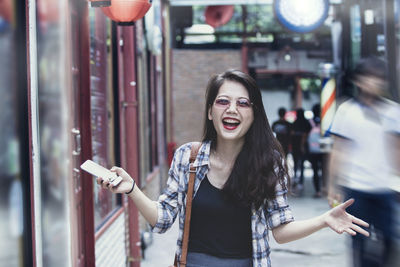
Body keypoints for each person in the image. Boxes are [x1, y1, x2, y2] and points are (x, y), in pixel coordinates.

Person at [98, 70, 369, 267]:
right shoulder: (187, 158)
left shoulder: (268, 162)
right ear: (209, 112)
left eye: (243, 103)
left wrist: (323, 220)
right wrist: (132, 189)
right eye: (222, 101)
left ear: (254, 114)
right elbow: (163, 219)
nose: (232, 110)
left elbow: (281, 230)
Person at [327, 57, 400, 267]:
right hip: (355, 188)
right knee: (358, 242)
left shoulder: (393, 111)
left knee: (389, 240)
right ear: (358, 81)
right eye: (369, 78)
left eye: (379, 79)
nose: (374, 83)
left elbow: (396, 148)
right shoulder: (346, 111)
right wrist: (333, 186)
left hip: (383, 188)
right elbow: (338, 151)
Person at [291, 107, 312, 192]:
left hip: (295, 146)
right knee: (302, 164)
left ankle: (295, 178)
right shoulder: (306, 123)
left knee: (296, 163)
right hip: (303, 146)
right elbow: (307, 133)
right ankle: (301, 181)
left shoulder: (295, 122)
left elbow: (291, 133)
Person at [307, 104, 324, 198]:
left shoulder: (310, 122)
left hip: (313, 151)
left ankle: (318, 191)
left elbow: (306, 136)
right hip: (323, 150)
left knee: (315, 171)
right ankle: (324, 188)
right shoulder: (324, 121)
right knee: (324, 170)